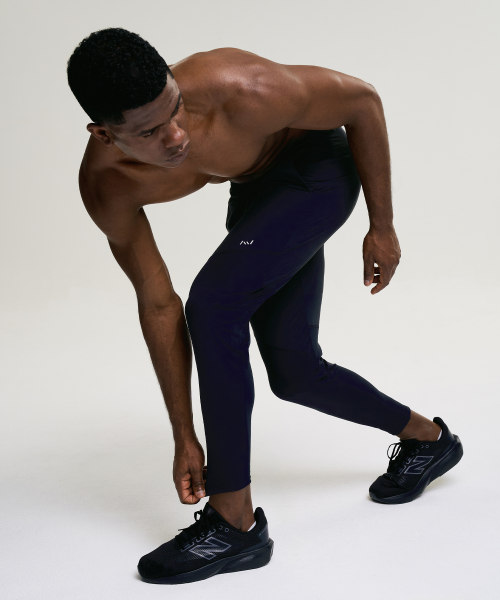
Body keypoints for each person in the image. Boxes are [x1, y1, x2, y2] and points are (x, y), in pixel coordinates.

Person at [67, 27, 463, 584]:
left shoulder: (244, 88)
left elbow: (362, 102)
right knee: (295, 371)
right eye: (151, 132)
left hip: (316, 173)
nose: (176, 136)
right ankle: (429, 440)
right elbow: (158, 306)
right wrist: (184, 433)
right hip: (259, 190)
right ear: (105, 135)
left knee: (214, 304)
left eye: (174, 109)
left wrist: (382, 226)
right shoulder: (107, 187)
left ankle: (235, 524)